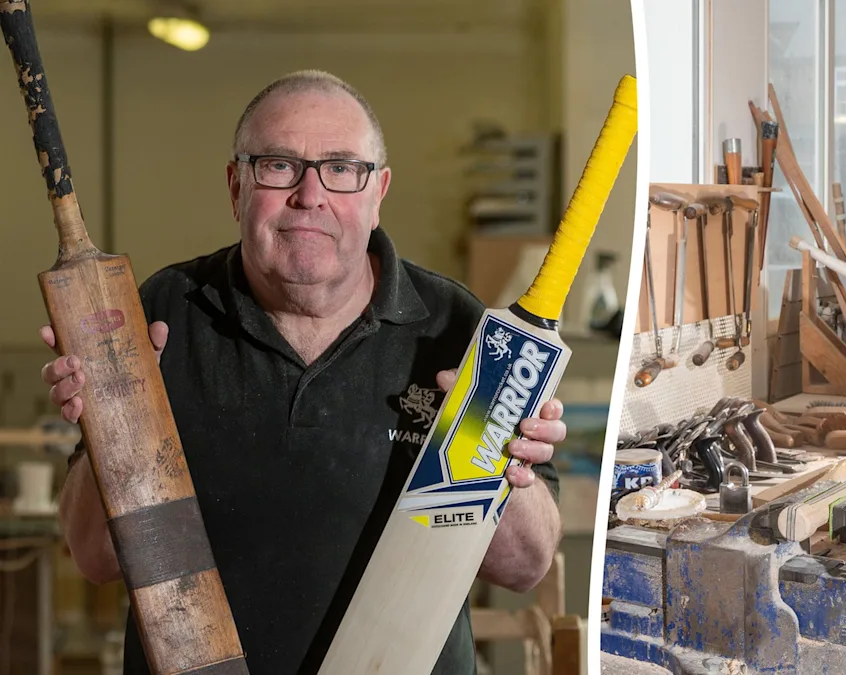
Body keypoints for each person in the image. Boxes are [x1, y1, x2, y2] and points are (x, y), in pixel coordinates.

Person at [39, 70, 567, 674]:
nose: (310, 195)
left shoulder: (457, 331)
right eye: (279, 165)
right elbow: (95, 558)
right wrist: (113, 427)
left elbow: (523, 568)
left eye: (342, 169)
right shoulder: (163, 314)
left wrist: (490, 454)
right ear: (236, 187)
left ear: (378, 193)